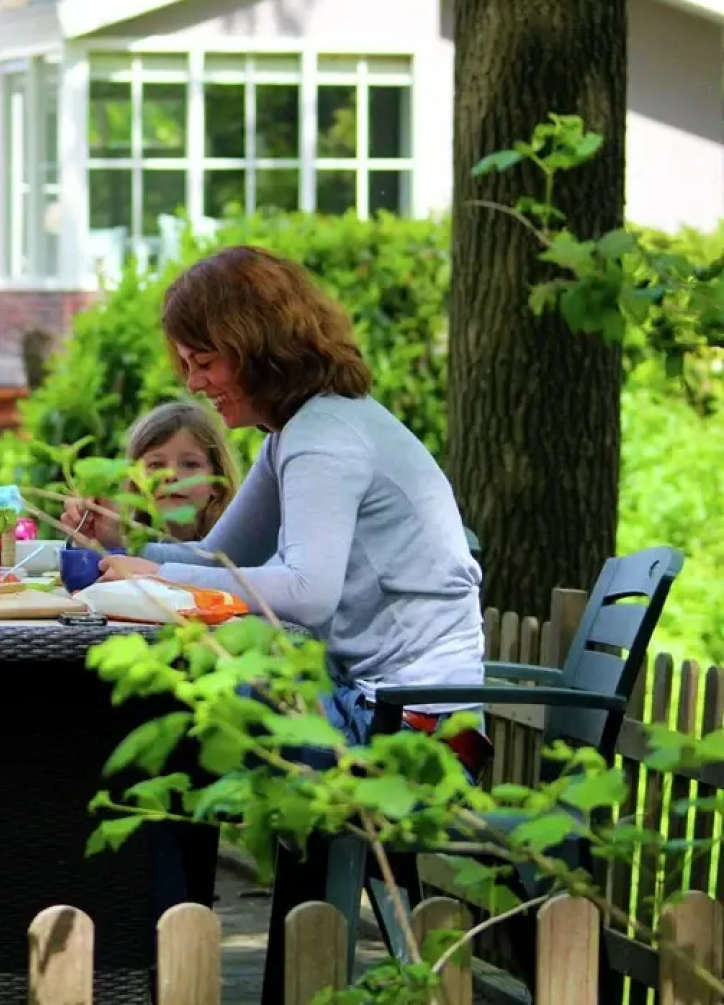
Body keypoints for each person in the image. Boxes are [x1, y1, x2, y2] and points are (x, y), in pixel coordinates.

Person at [62, 245, 486, 767]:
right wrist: (121, 543)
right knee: (191, 694)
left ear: (256, 348)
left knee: (187, 698)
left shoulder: (324, 436)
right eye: (188, 366)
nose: (193, 384)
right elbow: (218, 557)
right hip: (369, 706)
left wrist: (160, 577)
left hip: (410, 733)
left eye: (205, 363)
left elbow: (308, 595)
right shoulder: (293, 434)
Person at [119, 400, 240, 542]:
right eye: (156, 465)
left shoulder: (237, 547)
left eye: (190, 464)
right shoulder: (113, 548)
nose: (172, 475)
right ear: (135, 480)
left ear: (217, 483)